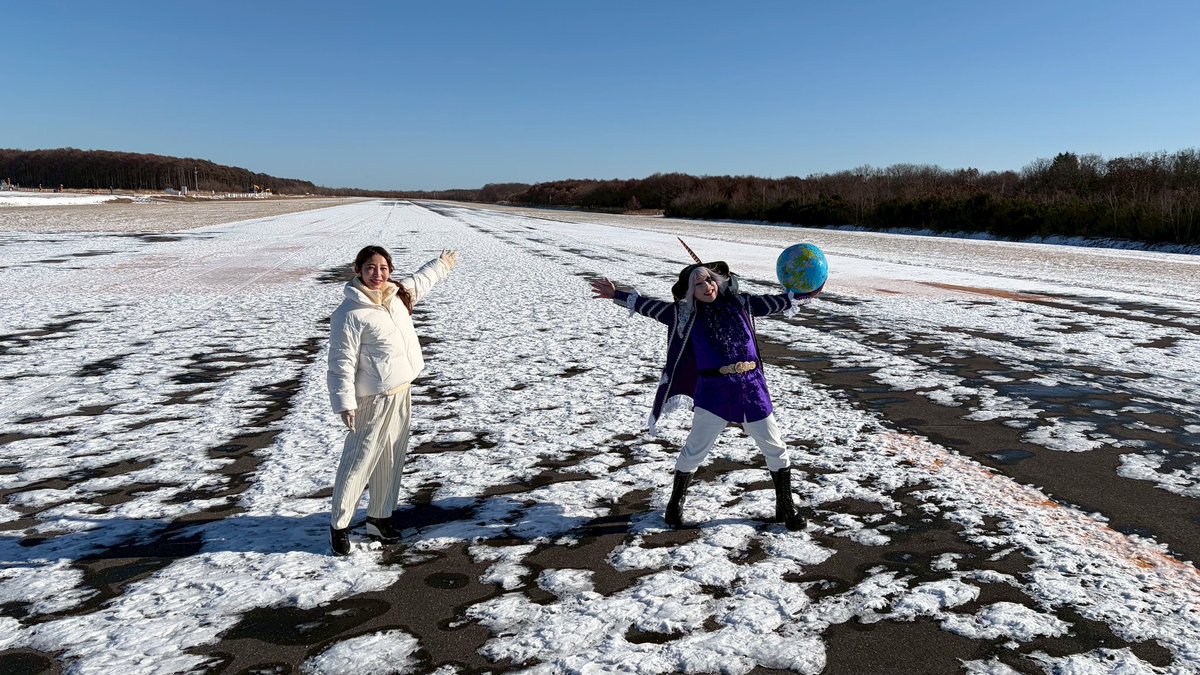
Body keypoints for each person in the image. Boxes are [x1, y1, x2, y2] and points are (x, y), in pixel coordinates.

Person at [591, 260, 822, 531]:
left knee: (775, 448)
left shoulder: (742, 304)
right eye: (698, 283)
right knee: (694, 451)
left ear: (718, 281)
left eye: (709, 280)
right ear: (691, 291)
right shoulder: (683, 314)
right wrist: (615, 293)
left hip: (752, 389)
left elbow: (779, 301)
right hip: (714, 393)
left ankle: (785, 505)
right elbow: (648, 306)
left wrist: (807, 293)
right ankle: (674, 507)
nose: (706, 286)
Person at [327, 244, 459, 555]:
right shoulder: (350, 313)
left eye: (384, 268)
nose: (378, 274)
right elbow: (341, 362)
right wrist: (345, 402)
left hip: (402, 391)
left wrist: (441, 264)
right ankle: (340, 525)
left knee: (390, 460)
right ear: (358, 270)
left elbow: (421, 280)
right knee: (359, 461)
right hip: (372, 398)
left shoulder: (397, 294)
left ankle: (379, 519)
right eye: (370, 268)